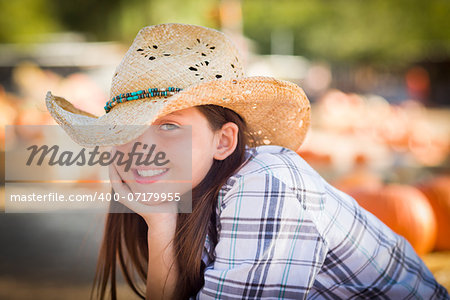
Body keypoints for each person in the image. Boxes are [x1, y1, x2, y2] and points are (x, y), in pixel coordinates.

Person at [45, 23, 449, 300]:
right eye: (128, 130)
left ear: (224, 141)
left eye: (168, 125)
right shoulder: (182, 197)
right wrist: (161, 223)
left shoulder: (266, 182)